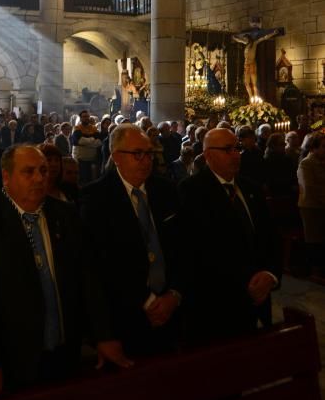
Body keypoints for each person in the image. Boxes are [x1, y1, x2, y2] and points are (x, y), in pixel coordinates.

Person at [0, 144, 130, 400]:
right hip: (13, 359)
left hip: (65, 352)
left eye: (42, 170)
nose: (40, 178)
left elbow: (86, 280)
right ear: (7, 177)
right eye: (29, 172)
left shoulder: (65, 213)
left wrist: (103, 335)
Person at [81, 125, 183, 356]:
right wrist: (147, 301)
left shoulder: (166, 190)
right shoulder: (95, 198)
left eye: (149, 153)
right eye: (137, 154)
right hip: (126, 315)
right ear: (116, 156)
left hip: (172, 309)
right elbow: (101, 264)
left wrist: (174, 294)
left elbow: (181, 247)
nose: (146, 160)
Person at [178, 128, 282, 344]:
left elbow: (271, 237)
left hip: (260, 298)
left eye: (237, 148)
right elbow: (201, 249)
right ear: (208, 155)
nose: (236, 154)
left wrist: (271, 275)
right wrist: (247, 282)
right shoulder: (191, 191)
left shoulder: (250, 188)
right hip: (218, 303)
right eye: (227, 149)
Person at [297, 132, 325, 271]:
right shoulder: (306, 163)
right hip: (311, 206)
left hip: (321, 204)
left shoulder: (322, 162)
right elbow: (309, 187)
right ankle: (314, 267)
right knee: (314, 238)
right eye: (323, 147)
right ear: (313, 148)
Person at [71, 110, 102, 185]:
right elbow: (79, 141)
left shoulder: (94, 128)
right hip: (80, 159)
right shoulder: (77, 128)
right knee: (81, 180)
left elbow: (99, 142)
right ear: (81, 118)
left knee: (91, 181)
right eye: (84, 117)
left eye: (87, 116)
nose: (86, 118)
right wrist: (92, 139)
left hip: (92, 159)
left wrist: (86, 142)